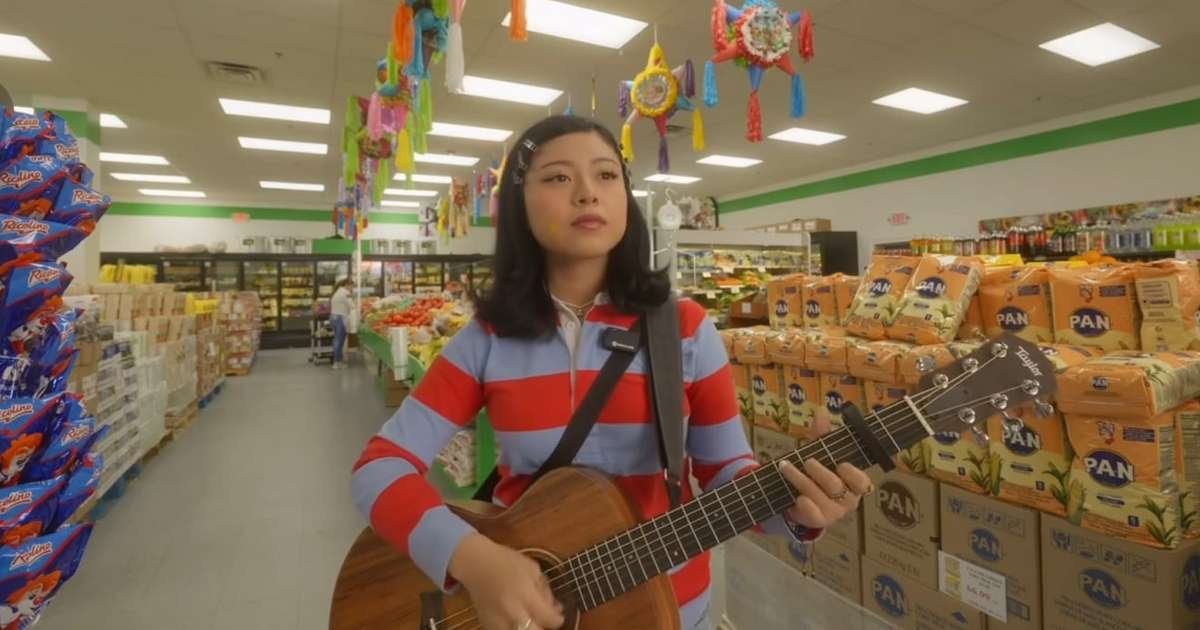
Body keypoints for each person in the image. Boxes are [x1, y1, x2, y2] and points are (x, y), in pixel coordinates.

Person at [351, 116, 872, 630]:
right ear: (519, 206)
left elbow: (725, 476)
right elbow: (379, 468)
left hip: (669, 612)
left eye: (606, 175)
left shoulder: (685, 329)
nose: (587, 193)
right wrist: (471, 558)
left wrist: (798, 510)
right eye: (557, 177)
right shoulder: (487, 339)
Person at [330, 278, 353, 369]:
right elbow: (351, 306)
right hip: (340, 318)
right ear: (347, 285)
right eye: (352, 286)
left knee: (336, 340)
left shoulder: (337, 292)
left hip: (333, 317)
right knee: (339, 341)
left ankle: (337, 361)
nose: (352, 288)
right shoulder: (346, 293)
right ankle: (337, 362)